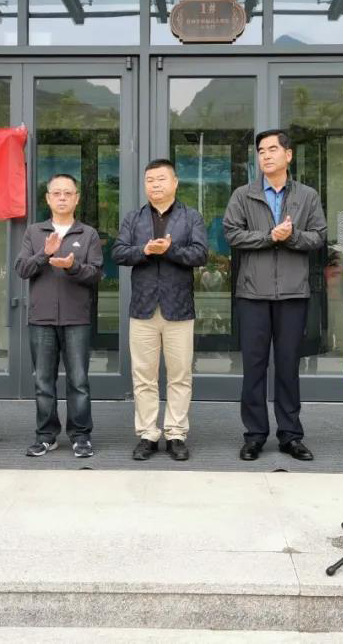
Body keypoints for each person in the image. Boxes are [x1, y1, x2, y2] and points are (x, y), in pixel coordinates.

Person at [223, 129, 327, 462]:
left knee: (287, 367)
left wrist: (291, 236)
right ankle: (254, 435)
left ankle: (290, 435)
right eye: (261, 151)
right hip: (253, 294)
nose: (266, 155)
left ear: (288, 155)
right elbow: (232, 234)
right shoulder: (243, 195)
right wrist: (270, 236)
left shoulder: (307, 196)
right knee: (253, 368)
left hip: (293, 294)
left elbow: (319, 237)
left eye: (272, 149)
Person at [113, 158, 208, 462]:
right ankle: (148, 434)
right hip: (142, 308)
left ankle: (176, 433)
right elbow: (118, 252)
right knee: (144, 376)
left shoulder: (191, 217)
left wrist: (170, 250)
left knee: (180, 375)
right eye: (150, 180)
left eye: (161, 179)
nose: (155, 184)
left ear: (175, 182)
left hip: (179, 308)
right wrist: (143, 250)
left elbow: (201, 254)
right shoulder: (134, 218)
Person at [15, 173, 103, 459]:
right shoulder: (34, 232)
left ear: (77, 198)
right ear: (48, 198)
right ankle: (46, 436)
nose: (62, 197)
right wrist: (45, 254)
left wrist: (72, 267)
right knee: (43, 382)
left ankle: (81, 436)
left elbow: (96, 274)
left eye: (68, 193)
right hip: (41, 319)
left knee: (79, 381)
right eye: (57, 193)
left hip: (77, 318)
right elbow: (22, 269)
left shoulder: (87, 234)